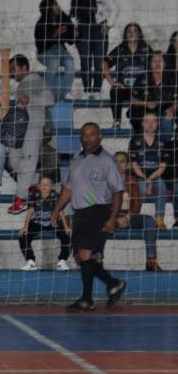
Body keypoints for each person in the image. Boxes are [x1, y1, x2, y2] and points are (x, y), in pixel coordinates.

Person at [51, 123, 126, 312]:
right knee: (80, 256)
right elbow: (67, 189)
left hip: (98, 210)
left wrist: (112, 218)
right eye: (84, 135)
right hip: (80, 213)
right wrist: (56, 209)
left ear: (99, 136)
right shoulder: (76, 159)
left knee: (84, 254)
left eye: (92, 134)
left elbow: (117, 191)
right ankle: (113, 283)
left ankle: (87, 299)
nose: (88, 138)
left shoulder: (107, 161)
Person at [7, 55, 55, 214]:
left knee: (27, 162)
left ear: (24, 68)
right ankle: (35, 181)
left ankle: (20, 198)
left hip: (33, 127)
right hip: (20, 129)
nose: (12, 73)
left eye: (14, 69)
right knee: (14, 162)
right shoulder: (22, 85)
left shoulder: (35, 80)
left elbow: (50, 99)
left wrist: (31, 99)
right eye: (10, 70)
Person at [69, 0, 118, 98]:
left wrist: (108, 25)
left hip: (98, 30)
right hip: (82, 31)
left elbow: (114, 8)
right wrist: (74, 32)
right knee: (85, 62)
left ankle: (96, 90)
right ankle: (87, 90)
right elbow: (73, 16)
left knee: (98, 62)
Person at [114, 151, 162, 271]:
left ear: (127, 165)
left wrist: (127, 217)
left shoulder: (132, 181)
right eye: (116, 161)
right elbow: (102, 204)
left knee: (150, 221)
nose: (119, 164)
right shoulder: (105, 181)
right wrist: (115, 218)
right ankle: (97, 260)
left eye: (122, 161)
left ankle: (151, 260)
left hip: (129, 217)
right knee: (95, 221)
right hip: (111, 218)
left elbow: (137, 204)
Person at [103, 23, 150, 128]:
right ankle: (117, 121)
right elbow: (104, 63)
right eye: (129, 31)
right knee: (115, 90)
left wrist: (149, 81)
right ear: (125, 34)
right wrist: (113, 82)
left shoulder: (146, 49)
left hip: (140, 89)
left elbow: (155, 64)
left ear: (139, 34)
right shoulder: (120, 49)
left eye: (135, 31)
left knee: (148, 95)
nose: (132, 34)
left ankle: (141, 121)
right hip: (124, 88)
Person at [18, 176, 71, 271]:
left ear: (52, 186)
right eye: (42, 184)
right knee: (23, 236)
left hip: (52, 221)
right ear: (38, 186)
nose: (44, 186)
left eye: (47, 184)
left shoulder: (55, 195)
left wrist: (66, 227)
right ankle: (31, 261)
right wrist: (25, 226)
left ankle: (62, 261)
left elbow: (60, 211)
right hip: (37, 222)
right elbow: (30, 211)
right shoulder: (35, 195)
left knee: (67, 235)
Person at [128, 111, 168, 228]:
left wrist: (151, 179)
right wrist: (145, 179)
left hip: (156, 177)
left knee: (161, 184)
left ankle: (160, 218)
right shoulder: (135, 141)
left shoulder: (162, 142)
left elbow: (163, 166)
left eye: (153, 121)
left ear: (157, 124)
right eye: (147, 121)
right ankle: (136, 219)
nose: (150, 124)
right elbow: (134, 164)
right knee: (140, 187)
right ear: (142, 124)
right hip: (140, 176)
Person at [128, 51, 177, 138]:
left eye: (160, 61)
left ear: (165, 63)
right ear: (150, 64)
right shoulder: (142, 78)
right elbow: (132, 99)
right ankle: (140, 144)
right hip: (144, 111)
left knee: (167, 120)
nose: (157, 64)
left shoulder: (172, 79)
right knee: (142, 119)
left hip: (163, 111)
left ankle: (166, 147)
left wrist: (173, 108)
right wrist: (146, 103)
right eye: (154, 61)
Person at [34, 0, 75, 101]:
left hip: (60, 49)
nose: (58, 7)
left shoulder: (62, 18)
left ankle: (67, 92)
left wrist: (70, 29)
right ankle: (44, 91)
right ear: (48, 9)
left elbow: (71, 39)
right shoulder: (41, 24)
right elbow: (41, 46)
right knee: (54, 61)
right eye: (55, 5)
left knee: (70, 61)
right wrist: (55, 34)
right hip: (44, 51)